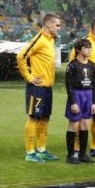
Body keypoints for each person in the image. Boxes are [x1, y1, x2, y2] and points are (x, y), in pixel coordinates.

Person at [17, 13, 62, 163]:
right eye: (57, 25)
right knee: (34, 117)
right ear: (48, 24)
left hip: (47, 87)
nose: (59, 28)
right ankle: (30, 152)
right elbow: (21, 56)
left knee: (44, 118)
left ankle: (41, 150)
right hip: (36, 87)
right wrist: (29, 77)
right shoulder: (39, 39)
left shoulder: (50, 40)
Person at [67, 17, 95, 158]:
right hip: (82, 88)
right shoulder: (84, 42)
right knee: (80, 120)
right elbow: (73, 64)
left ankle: (94, 148)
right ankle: (77, 150)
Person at [64, 38, 95, 164]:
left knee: (85, 125)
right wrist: (73, 102)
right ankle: (70, 155)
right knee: (74, 124)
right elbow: (69, 85)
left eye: (90, 47)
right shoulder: (72, 65)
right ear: (78, 49)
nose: (89, 50)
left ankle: (83, 154)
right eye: (86, 47)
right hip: (77, 95)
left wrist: (93, 102)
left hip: (88, 95)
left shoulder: (92, 65)